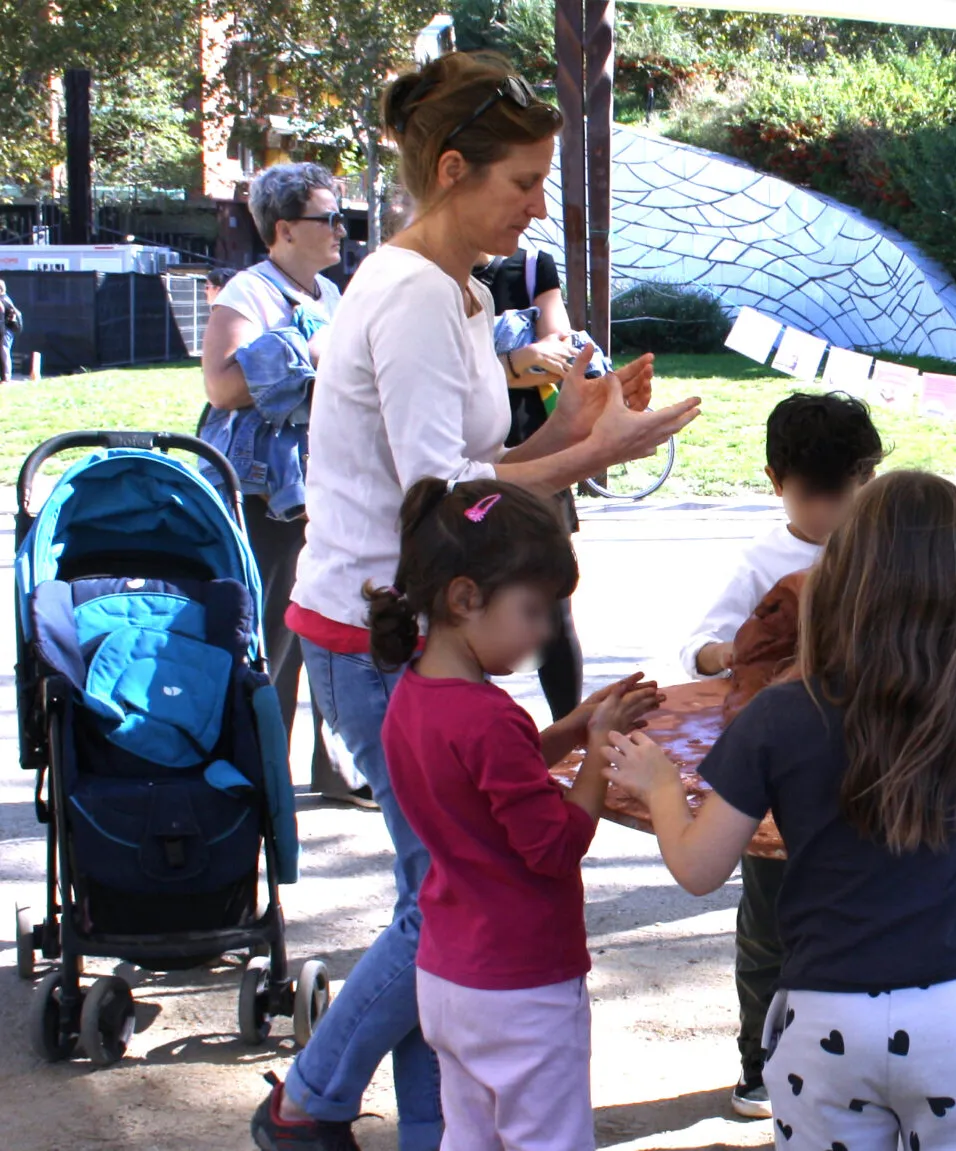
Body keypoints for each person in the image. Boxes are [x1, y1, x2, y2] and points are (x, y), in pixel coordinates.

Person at [251, 50, 700, 1151]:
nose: (537, 207)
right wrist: (597, 450)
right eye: (523, 183)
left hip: (402, 617)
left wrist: (575, 426)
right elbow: (439, 501)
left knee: (438, 896)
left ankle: (424, 1123)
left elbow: (479, 462)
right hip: (375, 629)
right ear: (452, 169)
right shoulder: (407, 292)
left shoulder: (457, 290)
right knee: (438, 905)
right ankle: (309, 1097)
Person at [610, 470, 956, 1151]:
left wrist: (658, 784)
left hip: (827, 1014)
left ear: (838, 573)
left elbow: (699, 866)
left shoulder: (778, 715)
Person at [371, 477, 659, 1151]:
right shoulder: (490, 716)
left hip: (449, 976)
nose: (545, 631)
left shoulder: (414, 695)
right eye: (533, 610)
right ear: (465, 597)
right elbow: (556, 844)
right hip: (522, 985)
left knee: (470, 1136)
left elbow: (486, 776)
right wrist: (594, 752)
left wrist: (570, 725)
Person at [676, 389, 884, 1119]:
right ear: (775, 482)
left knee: (861, 913)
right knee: (769, 923)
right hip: (776, 785)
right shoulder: (764, 558)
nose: (827, 514)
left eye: (842, 492)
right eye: (810, 494)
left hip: (871, 776)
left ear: (871, 475)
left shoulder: (887, 549)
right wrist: (731, 649)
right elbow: (700, 646)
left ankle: (857, 1056)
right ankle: (758, 1061)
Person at [197, 162, 368, 807]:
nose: (340, 232)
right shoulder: (249, 292)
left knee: (329, 620)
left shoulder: (329, 293)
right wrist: (309, 350)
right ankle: (260, 771)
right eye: (328, 219)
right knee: (273, 633)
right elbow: (222, 386)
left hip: (325, 477)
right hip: (268, 491)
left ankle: (336, 770)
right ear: (286, 228)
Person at [473, 246, 585, 721]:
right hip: (469, 466)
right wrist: (519, 359)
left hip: (537, 459)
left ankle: (570, 734)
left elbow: (558, 353)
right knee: (465, 612)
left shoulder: (533, 264)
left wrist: (502, 366)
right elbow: (447, 377)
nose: (531, 208)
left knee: (552, 608)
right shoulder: (432, 273)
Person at [2, 278, 20, 383]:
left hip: (5, 332)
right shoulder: (6, 300)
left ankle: (6, 377)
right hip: (5, 331)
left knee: (4, 352)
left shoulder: (4, 301)